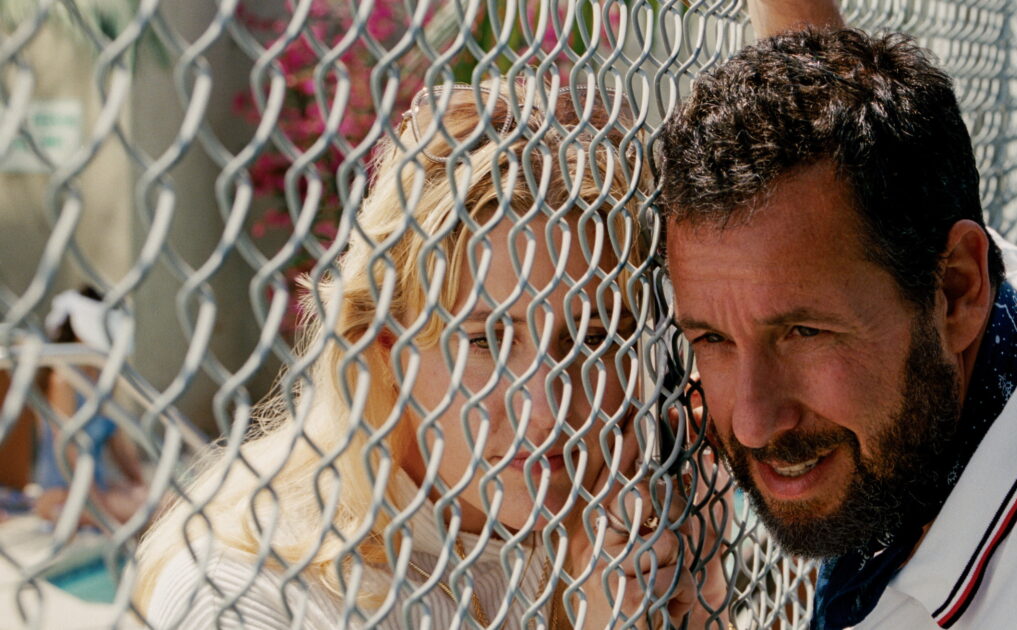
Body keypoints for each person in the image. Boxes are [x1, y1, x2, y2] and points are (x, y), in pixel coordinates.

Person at [656, 7, 1017, 630]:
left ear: (957, 293)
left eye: (805, 333)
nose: (753, 423)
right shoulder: (995, 312)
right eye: (712, 338)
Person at [135, 81, 724, 629]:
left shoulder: (614, 535)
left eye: (592, 338)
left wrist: (702, 610)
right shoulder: (248, 589)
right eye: (486, 341)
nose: (546, 410)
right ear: (386, 346)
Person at [34, 287, 147, 528]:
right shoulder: (63, 379)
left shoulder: (102, 378)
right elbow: (68, 450)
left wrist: (140, 484)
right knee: (151, 509)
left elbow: (118, 444)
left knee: (165, 501)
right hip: (63, 495)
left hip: (98, 489)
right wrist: (100, 507)